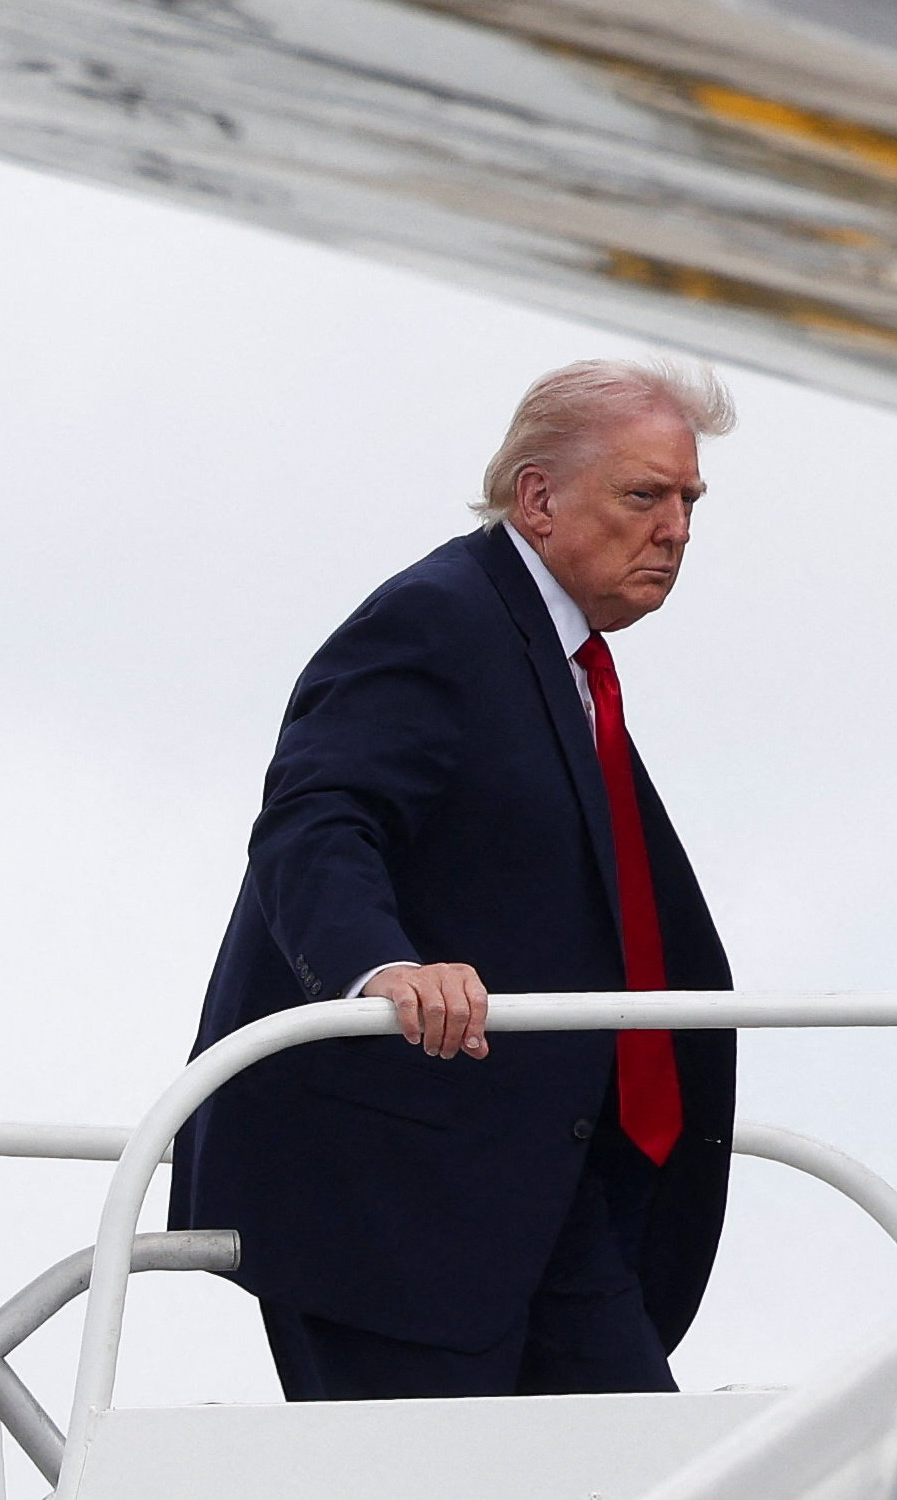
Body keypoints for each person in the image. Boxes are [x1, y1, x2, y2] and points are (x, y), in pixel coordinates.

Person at [167, 358, 738, 1402]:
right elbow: (315, 819)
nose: (677, 530)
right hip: (388, 1202)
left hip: (534, 1190)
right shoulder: (440, 619)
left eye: (689, 500)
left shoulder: (563, 664)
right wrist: (380, 968)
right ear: (539, 497)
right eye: (644, 495)